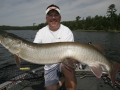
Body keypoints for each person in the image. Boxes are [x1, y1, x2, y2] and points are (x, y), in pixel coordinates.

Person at [33, 4, 76, 90]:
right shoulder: (41, 32)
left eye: (56, 15)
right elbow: (34, 50)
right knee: (51, 88)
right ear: (46, 18)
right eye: (50, 15)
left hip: (63, 62)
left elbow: (70, 54)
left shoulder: (66, 31)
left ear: (60, 18)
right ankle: (62, 80)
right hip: (49, 66)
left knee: (68, 69)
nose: (53, 17)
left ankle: (66, 78)